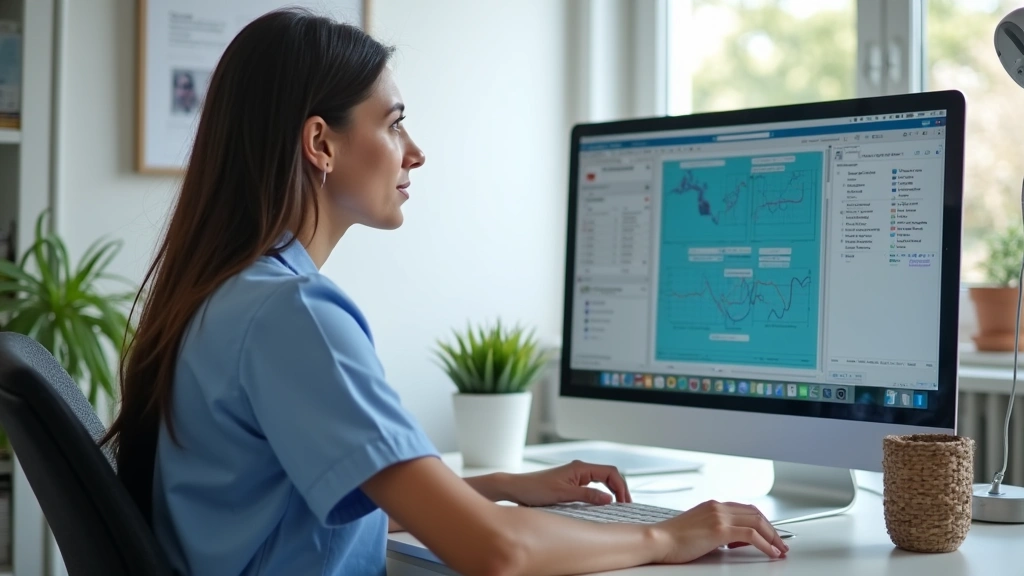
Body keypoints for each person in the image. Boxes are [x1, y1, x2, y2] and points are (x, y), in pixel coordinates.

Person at [101, 8, 788, 576]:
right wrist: (667, 537)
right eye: (393, 122)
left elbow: (302, 506)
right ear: (321, 143)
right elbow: (496, 551)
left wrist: (500, 488)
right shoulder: (294, 314)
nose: (415, 150)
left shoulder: (226, 294)